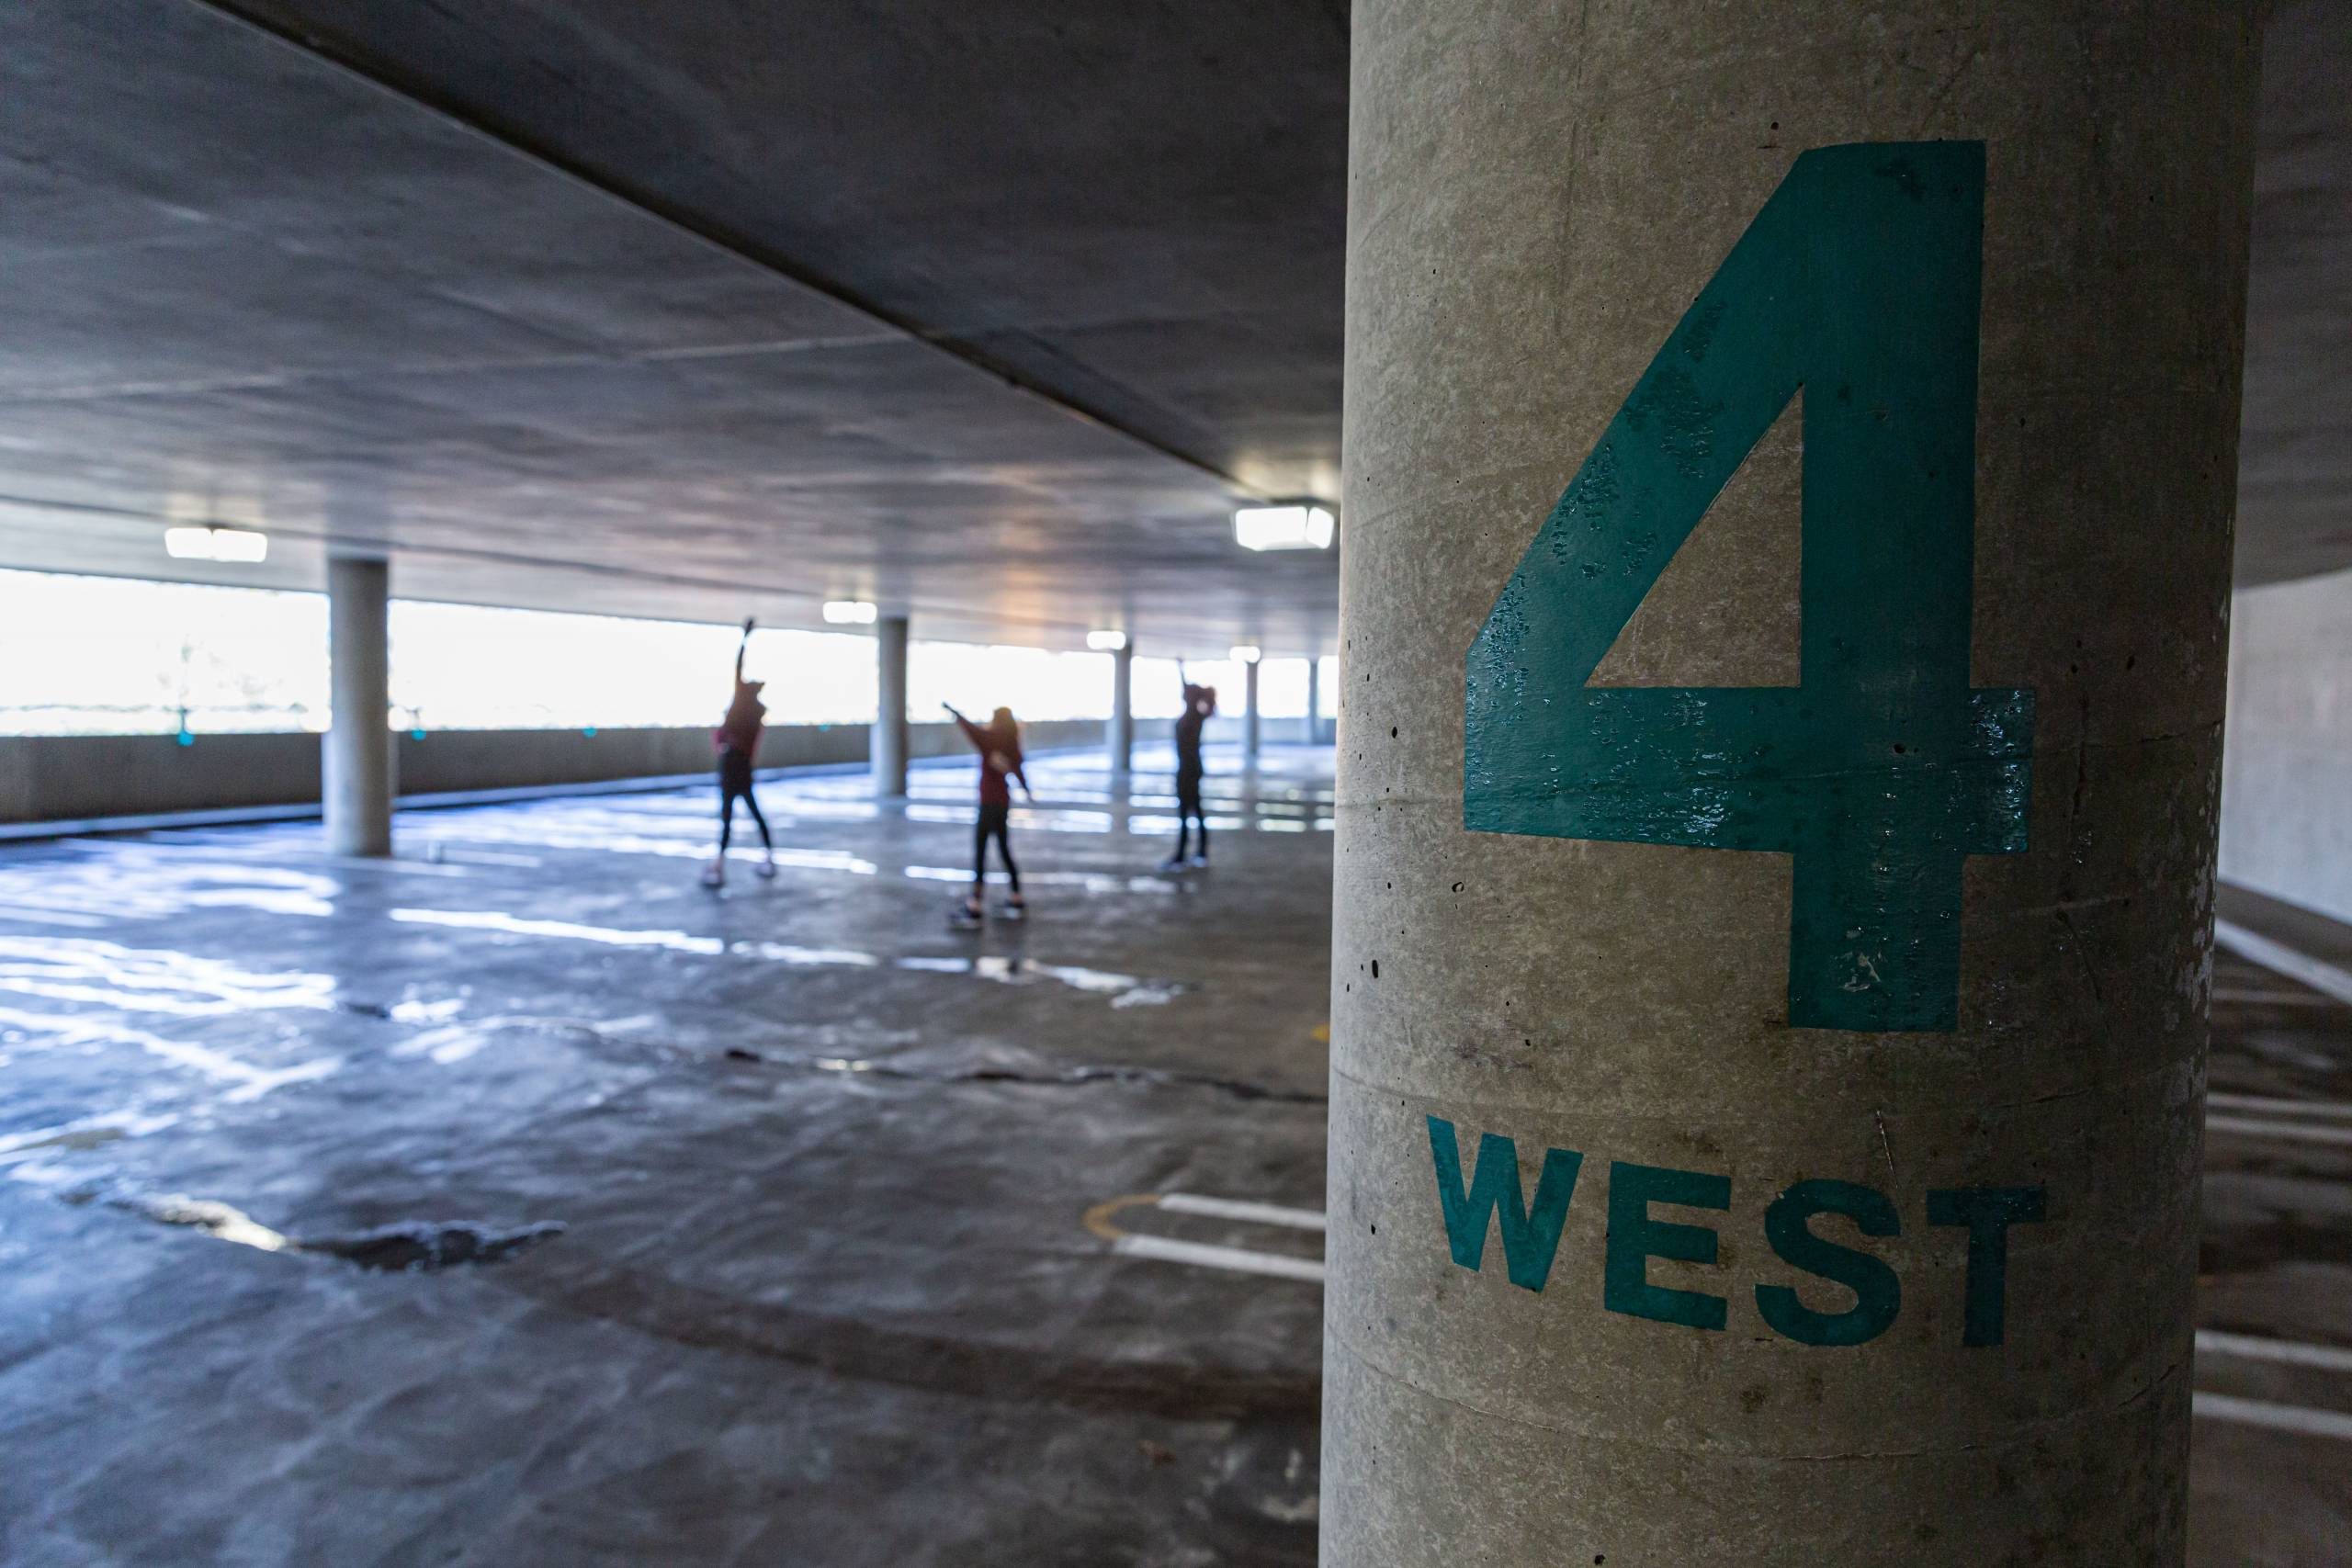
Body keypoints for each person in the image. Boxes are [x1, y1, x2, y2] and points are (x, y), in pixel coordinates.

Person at [705, 617, 776, 887]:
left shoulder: (743, 705)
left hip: (732, 763)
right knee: (751, 814)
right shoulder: (756, 712)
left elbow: (737, 666)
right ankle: (766, 857)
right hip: (741, 765)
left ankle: (720, 865)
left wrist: (744, 638)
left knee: (728, 817)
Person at [944, 701, 1031, 922]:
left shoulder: (988, 739)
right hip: (1002, 802)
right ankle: (1016, 895)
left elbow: (970, 729)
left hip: (987, 803)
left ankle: (974, 904)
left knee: (981, 851)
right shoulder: (1012, 744)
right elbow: (1019, 771)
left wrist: (955, 713)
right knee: (1003, 849)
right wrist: (1027, 790)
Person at [1160, 664, 1216, 871]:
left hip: (1188, 770)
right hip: (1189, 769)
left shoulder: (1193, 716)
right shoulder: (1195, 715)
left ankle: (1184, 855)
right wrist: (1180, 668)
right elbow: (1187, 687)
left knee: (1187, 813)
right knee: (1194, 812)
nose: (1182, 695)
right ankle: (1197, 852)